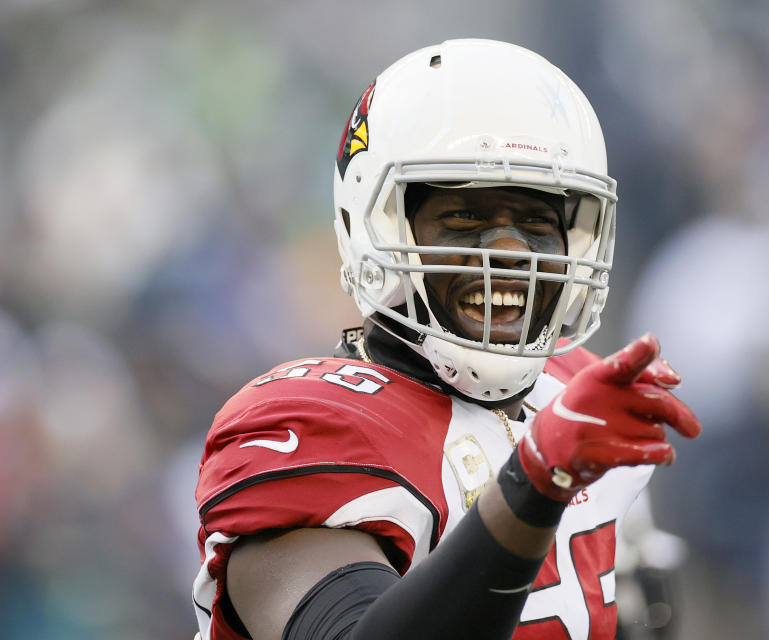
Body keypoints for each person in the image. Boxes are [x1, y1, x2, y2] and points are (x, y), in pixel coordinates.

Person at [191, 39, 701, 640]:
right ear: (374, 226)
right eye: (464, 217)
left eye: (537, 221)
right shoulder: (304, 424)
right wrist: (534, 483)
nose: (509, 253)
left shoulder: (577, 399)